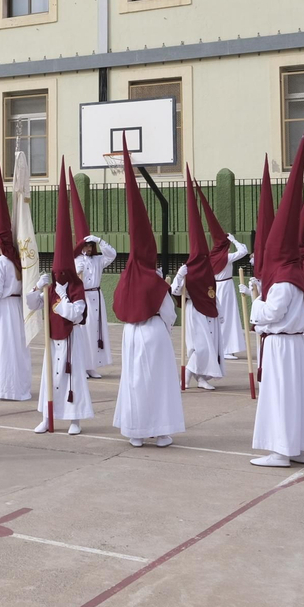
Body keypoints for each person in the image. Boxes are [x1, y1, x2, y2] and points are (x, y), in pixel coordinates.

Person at [248, 127, 304, 467]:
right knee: (297, 398)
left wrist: (254, 302)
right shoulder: (298, 274)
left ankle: (281, 450)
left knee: (280, 397)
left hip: (280, 345)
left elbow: (272, 312)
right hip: (296, 345)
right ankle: (298, 447)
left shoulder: (283, 280)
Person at [110, 146, 184, 449]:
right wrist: (162, 328)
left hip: (130, 334)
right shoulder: (154, 279)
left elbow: (117, 306)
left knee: (135, 381)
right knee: (159, 383)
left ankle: (136, 431)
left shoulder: (126, 277)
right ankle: (161, 431)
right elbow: (169, 313)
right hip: (153, 333)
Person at [35, 169, 92, 435]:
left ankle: (74, 419)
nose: (58, 276)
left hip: (70, 340)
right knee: (51, 377)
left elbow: (78, 315)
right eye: (55, 272)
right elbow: (32, 305)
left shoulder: (77, 288)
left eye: (61, 273)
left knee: (72, 378)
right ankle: (48, 417)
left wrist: (60, 301)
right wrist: (38, 288)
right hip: (51, 340)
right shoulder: (50, 286)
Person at [0, 150, 35, 401]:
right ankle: (18, 387)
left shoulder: (2, 263)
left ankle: (5, 388)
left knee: (4, 350)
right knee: (17, 350)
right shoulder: (16, 261)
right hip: (16, 309)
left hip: (4, 310)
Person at [171, 170, 223, 391]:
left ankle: (201, 377)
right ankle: (187, 375)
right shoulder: (188, 270)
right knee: (198, 346)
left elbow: (213, 290)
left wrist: (219, 311)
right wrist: (180, 275)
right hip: (194, 311)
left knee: (210, 345)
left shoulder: (208, 270)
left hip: (209, 311)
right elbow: (175, 290)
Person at [192, 190, 251, 362]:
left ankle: (223, 346)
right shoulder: (227, 257)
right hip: (224, 286)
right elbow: (244, 250)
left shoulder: (212, 257)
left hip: (215, 286)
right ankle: (224, 348)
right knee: (227, 316)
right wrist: (233, 240)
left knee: (222, 316)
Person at [69, 167, 116, 378]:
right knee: (86, 329)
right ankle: (84, 365)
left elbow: (112, 254)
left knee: (97, 329)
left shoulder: (97, 259)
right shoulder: (77, 260)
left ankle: (93, 365)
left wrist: (99, 240)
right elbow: (75, 278)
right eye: (86, 245)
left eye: (90, 246)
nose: (88, 249)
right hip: (85, 296)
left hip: (96, 295)